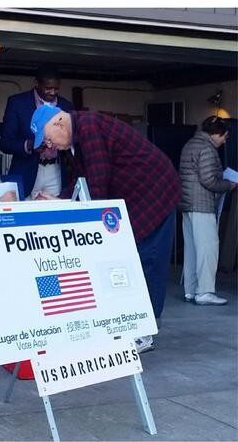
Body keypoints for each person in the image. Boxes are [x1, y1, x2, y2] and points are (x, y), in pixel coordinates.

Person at [31, 103, 181, 352]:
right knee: (129, 260)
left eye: (47, 139)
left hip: (156, 191)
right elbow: (81, 182)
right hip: (134, 196)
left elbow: (97, 190)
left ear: (59, 122)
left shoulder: (89, 128)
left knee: (146, 260)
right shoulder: (76, 138)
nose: (49, 146)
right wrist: (58, 200)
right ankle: (126, 322)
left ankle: (144, 332)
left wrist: (63, 202)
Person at [178, 115, 237, 306]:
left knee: (192, 250)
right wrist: (229, 185)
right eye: (224, 137)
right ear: (216, 134)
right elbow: (209, 180)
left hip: (187, 204)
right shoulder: (207, 149)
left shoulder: (190, 144)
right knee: (208, 249)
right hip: (202, 205)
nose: (224, 141)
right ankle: (205, 292)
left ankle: (191, 290)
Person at [0, 65, 74, 200]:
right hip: (26, 171)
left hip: (56, 171)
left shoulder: (66, 106)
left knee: (55, 216)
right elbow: (5, 143)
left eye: (56, 88)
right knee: (23, 217)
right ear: (36, 83)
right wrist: (30, 145)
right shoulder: (17, 103)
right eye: (48, 88)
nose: (52, 92)